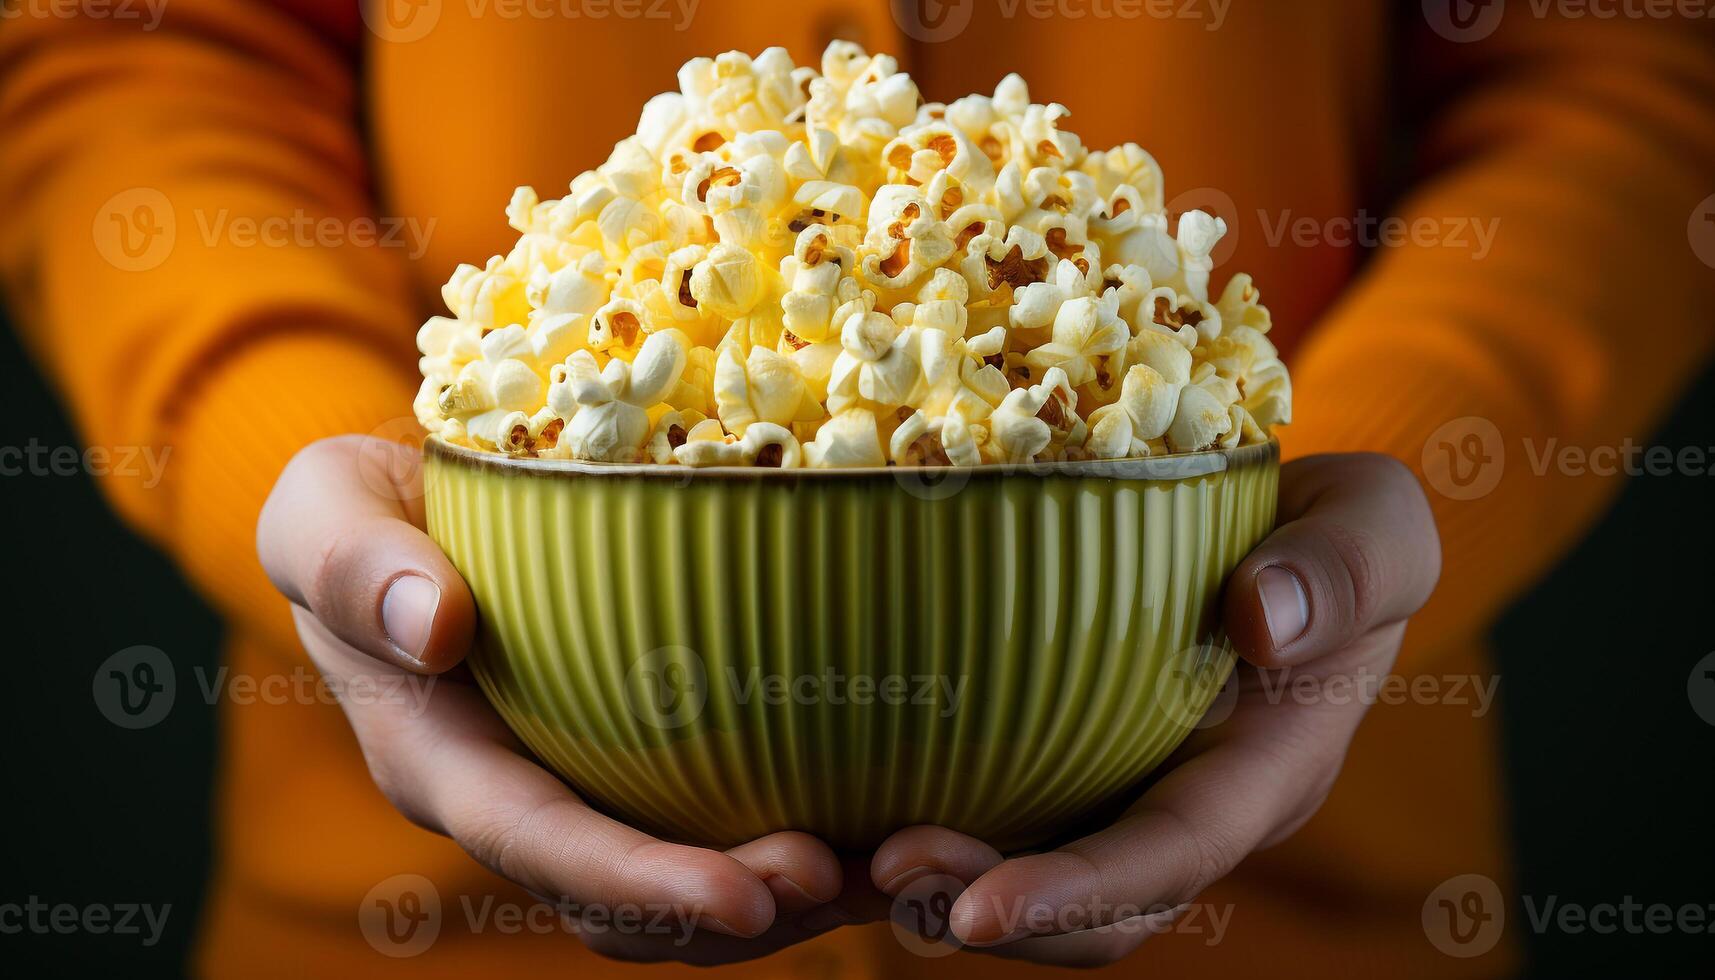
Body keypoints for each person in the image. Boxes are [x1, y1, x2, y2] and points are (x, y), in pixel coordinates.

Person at [2, 2, 1711, 977]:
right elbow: (135, 46)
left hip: (1285, 894)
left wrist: (1395, 470)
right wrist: (300, 432)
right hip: (427, 917)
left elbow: (1623, 56)